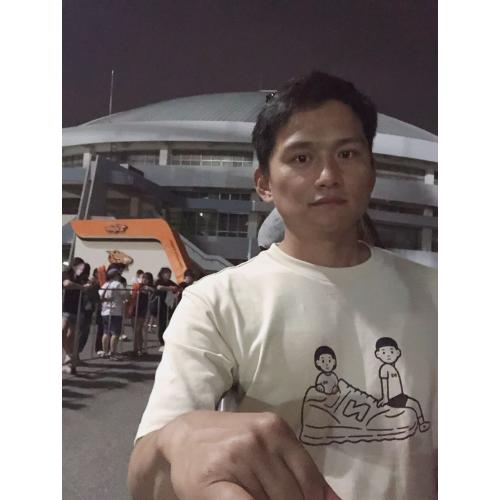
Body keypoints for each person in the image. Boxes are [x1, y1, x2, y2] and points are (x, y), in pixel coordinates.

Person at [128, 72, 437, 500]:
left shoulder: (439, 293)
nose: (328, 175)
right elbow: (144, 476)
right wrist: (176, 447)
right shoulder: (217, 302)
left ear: (371, 171)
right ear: (264, 184)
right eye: (301, 158)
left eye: (347, 153)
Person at [62, 257, 89, 374]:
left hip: (77, 309)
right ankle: (69, 356)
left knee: (71, 336)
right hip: (65, 309)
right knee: (62, 331)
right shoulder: (66, 274)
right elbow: (66, 284)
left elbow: (86, 288)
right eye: (80, 267)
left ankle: (69, 363)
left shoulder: (81, 278)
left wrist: (86, 287)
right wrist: (80, 287)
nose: (81, 269)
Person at [99, 267, 127, 360]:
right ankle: (112, 353)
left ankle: (105, 351)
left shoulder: (104, 285)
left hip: (105, 311)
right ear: (116, 275)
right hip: (115, 311)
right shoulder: (118, 284)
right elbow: (125, 295)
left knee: (106, 332)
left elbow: (100, 296)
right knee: (115, 333)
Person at [153, 267, 179, 352]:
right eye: (166, 273)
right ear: (162, 274)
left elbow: (177, 287)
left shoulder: (170, 282)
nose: (168, 275)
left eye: (169, 273)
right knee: (162, 325)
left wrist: (174, 289)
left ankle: (168, 341)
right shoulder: (158, 281)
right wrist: (170, 288)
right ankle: (162, 342)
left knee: (169, 323)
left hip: (168, 306)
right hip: (159, 305)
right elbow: (159, 287)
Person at [77, 263, 100, 357]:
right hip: (83, 308)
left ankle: (76, 354)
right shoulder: (84, 281)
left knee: (84, 332)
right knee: (81, 332)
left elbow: (96, 296)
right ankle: (74, 354)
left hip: (87, 309)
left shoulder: (90, 282)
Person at [131, 272, 155, 357]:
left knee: (138, 329)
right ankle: (136, 348)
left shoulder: (149, 288)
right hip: (134, 308)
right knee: (135, 330)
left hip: (142, 310)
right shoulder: (138, 286)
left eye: (147, 278)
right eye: (143, 278)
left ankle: (139, 348)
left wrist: (148, 288)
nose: (144, 280)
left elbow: (153, 292)